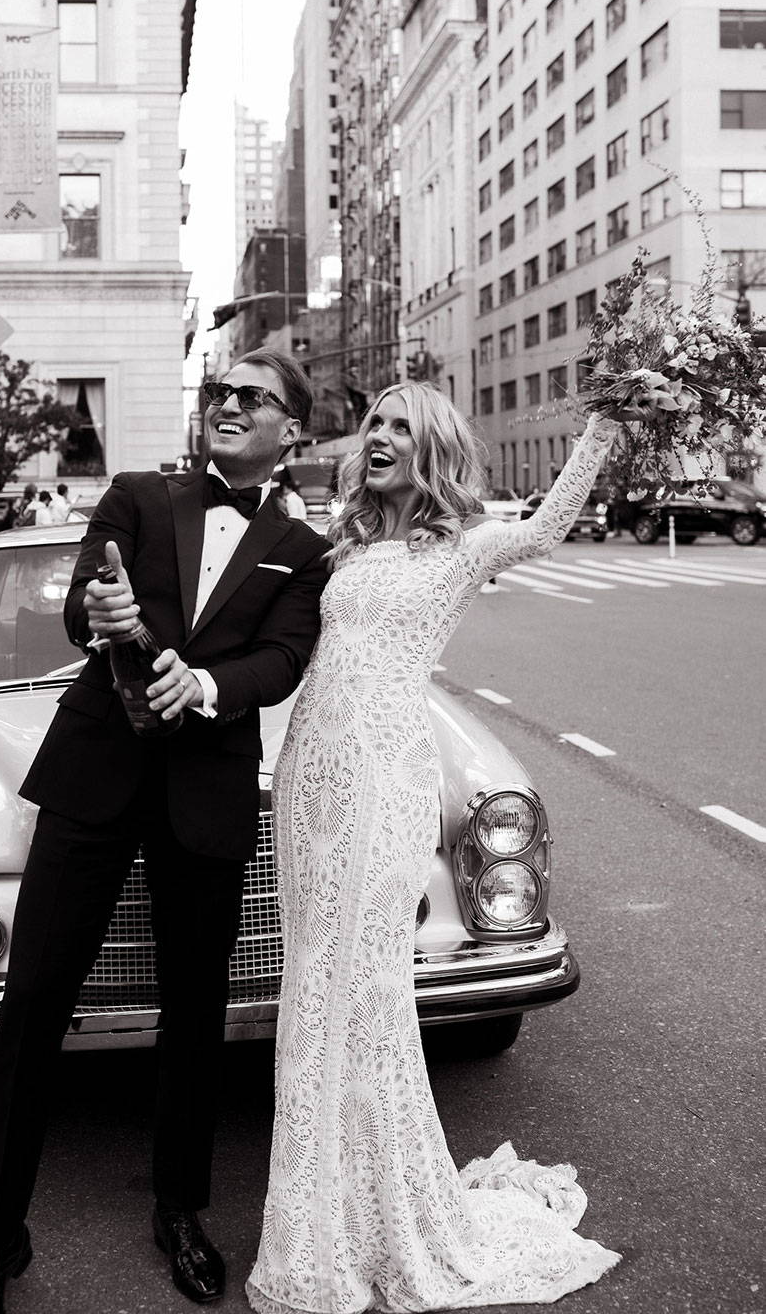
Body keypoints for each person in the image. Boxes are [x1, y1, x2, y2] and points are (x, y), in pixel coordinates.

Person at [0, 350, 331, 1314]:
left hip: (205, 791)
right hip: (95, 775)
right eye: (221, 393)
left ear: (292, 429)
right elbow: (89, 609)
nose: (230, 405)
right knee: (32, 1000)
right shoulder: (135, 494)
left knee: (197, 1016)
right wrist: (99, 609)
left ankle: (180, 1210)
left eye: (254, 398)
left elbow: (285, 657)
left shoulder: (300, 544)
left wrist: (207, 685)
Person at [246, 384, 623, 1314]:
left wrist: (606, 424)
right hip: (308, 778)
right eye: (375, 423)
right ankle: (320, 1218)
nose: (380, 438)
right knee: (311, 990)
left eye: (401, 428)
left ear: (435, 450)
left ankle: (378, 1224)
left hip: (383, 779)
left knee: (363, 990)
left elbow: (543, 530)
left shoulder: (463, 549)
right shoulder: (346, 544)